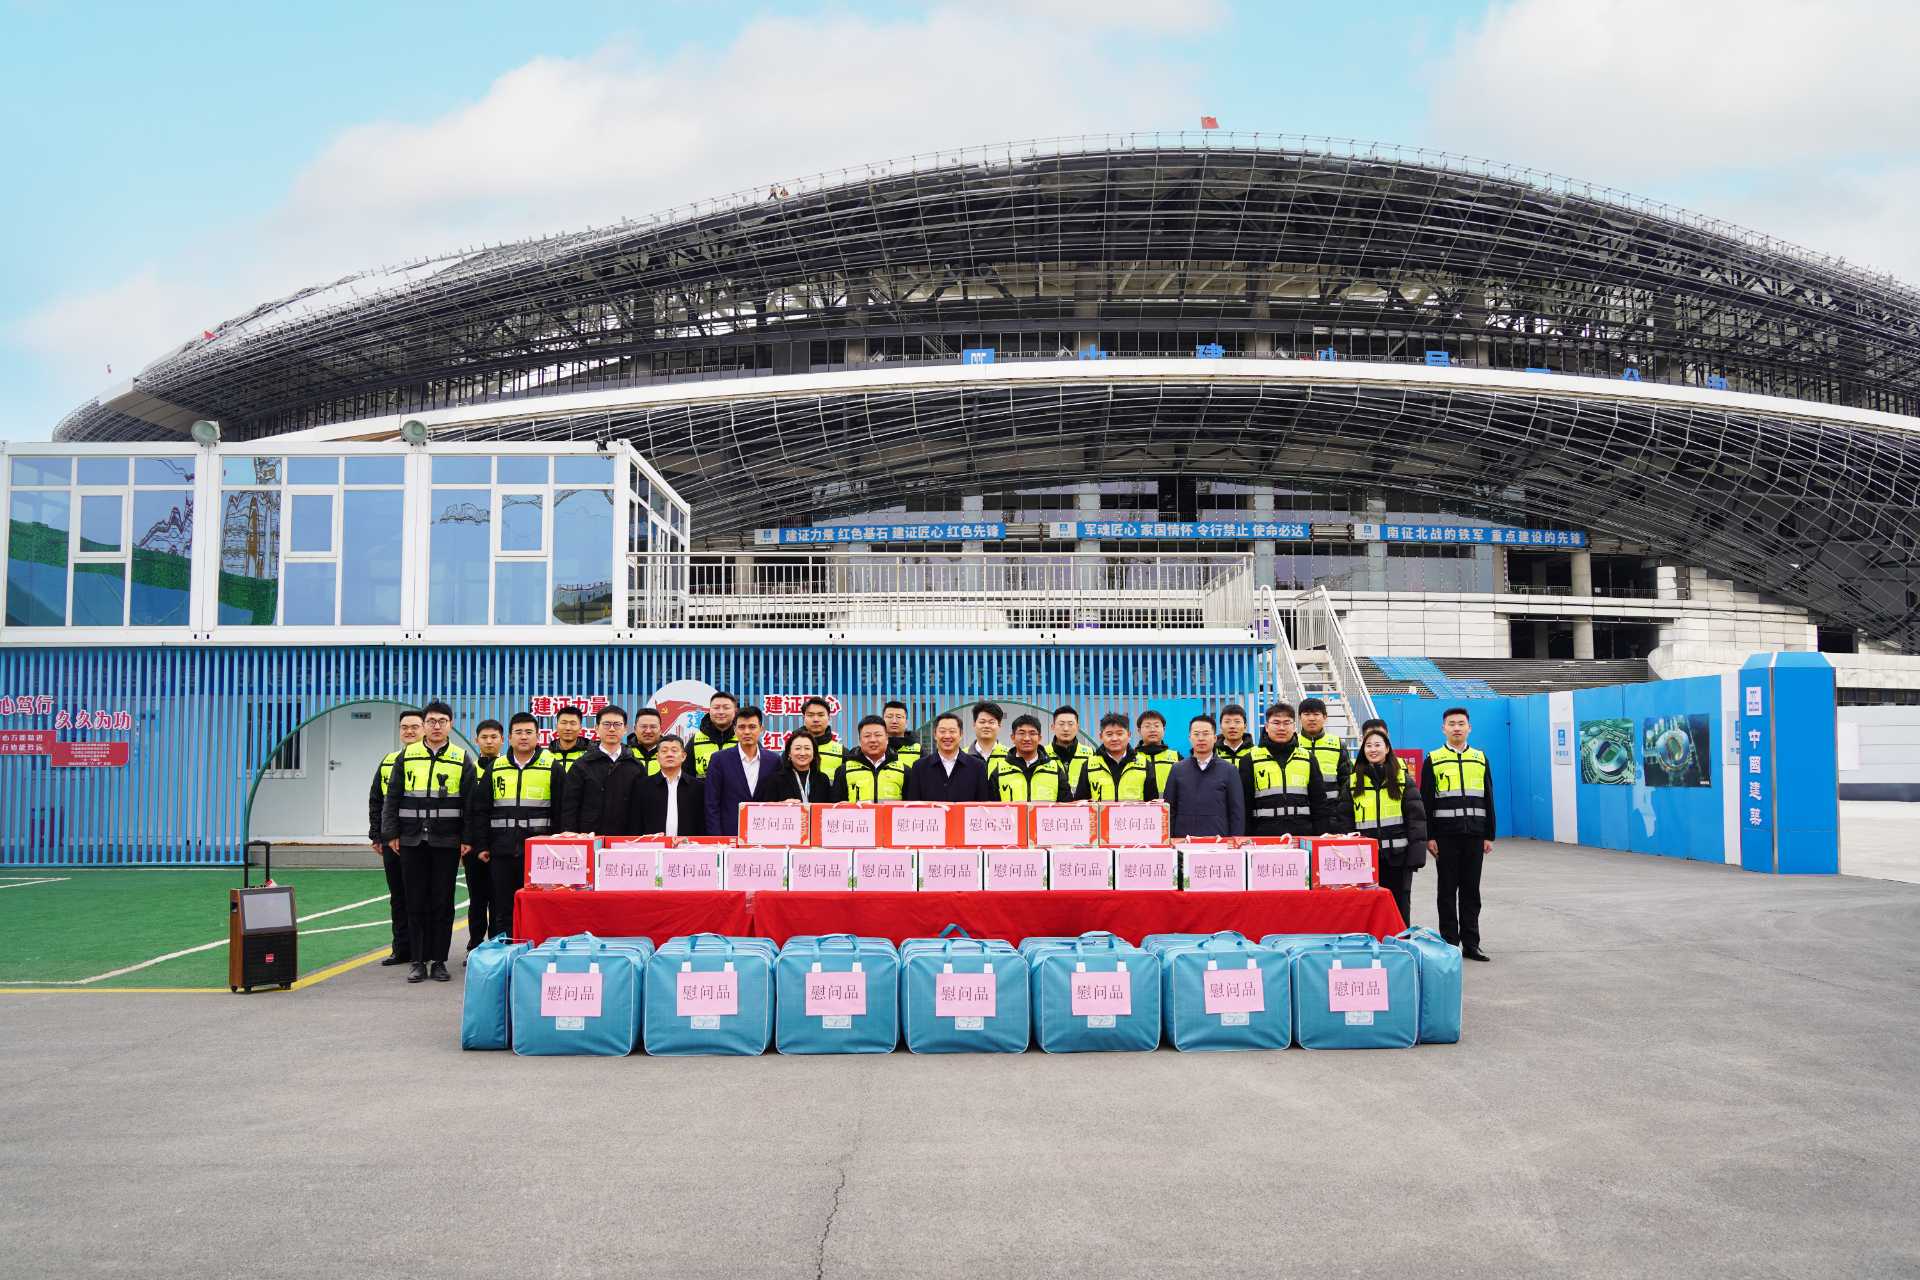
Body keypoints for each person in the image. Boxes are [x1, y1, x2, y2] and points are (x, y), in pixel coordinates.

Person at [379, 700, 480, 984]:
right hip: (411, 840)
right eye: (431, 721)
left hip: (446, 841)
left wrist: (467, 838)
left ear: (450, 725)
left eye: (442, 721)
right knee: (415, 901)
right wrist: (391, 834)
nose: (436, 726)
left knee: (442, 902)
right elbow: (392, 798)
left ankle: (439, 961)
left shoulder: (461, 758)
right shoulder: (407, 756)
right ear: (424, 725)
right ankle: (417, 961)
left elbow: (470, 804)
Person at [466, 712, 559, 942]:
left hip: (539, 854)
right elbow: (481, 810)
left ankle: (535, 949)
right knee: (502, 907)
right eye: (518, 732)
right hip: (502, 851)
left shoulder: (551, 766)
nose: (523, 737)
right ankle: (504, 950)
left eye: (528, 732)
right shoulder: (496, 767)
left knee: (538, 906)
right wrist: (482, 845)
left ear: (538, 736)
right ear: (509, 737)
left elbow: (561, 810)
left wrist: (557, 848)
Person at [1422, 706, 1495, 962]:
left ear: (1469, 728)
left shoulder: (1480, 758)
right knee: (1446, 891)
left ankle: (1472, 944)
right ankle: (1450, 943)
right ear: (1443, 728)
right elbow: (1426, 800)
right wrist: (1429, 836)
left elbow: (1488, 797)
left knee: (1471, 891)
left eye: (1461, 723)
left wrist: (1489, 834)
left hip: (1474, 835)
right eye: (1451, 724)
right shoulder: (1433, 759)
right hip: (1445, 836)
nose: (1456, 728)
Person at [1348, 726, 1427, 928]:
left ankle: (1401, 941)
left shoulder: (1403, 780)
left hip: (1398, 858)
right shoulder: (1352, 782)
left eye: (1378, 745)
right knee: (1366, 908)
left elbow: (1416, 820)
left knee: (1399, 906)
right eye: (1368, 745)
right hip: (1364, 860)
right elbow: (1344, 821)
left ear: (1387, 748)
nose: (1373, 749)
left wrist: (1416, 857)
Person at [367, 708, 423, 967]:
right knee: (398, 896)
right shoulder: (389, 761)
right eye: (404, 727)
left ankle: (423, 950)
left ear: (424, 729)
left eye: (414, 727)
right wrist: (378, 835)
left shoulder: (432, 761)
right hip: (392, 840)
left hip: (419, 840)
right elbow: (377, 801)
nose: (409, 731)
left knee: (421, 896)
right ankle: (401, 949)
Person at [1240, 701, 1335, 838]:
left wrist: (1321, 835)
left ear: (1294, 727)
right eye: (1276, 723)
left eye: (1287, 723)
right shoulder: (1250, 760)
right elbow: (1245, 805)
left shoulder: (1308, 758)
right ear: (1266, 727)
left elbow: (1319, 803)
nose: (1281, 728)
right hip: (1263, 837)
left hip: (1303, 837)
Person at [558, 705, 646, 836]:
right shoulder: (581, 765)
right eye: (606, 724)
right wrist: (572, 836)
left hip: (626, 839)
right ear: (596, 728)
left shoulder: (636, 766)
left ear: (625, 729)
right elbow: (570, 807)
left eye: (617, 724)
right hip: (590, 837)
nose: (612, 729)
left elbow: (642, 808)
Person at [1162, 714, 1245, 837]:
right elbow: (1170, 810)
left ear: (1215, 738)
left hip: (1218, 841)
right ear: (1190, 738)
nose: (1201, 738)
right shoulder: (1177, 769)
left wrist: (1235, 840)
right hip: (1183, 841)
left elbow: (1236, 812)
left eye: (1206, 734)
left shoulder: (1229, 770)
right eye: (1196, 734)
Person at [462, 718, 504, 952]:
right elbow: (466, 809)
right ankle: (475, 945)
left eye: (494, 737)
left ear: (502, 740)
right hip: (473, 846)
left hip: (499, 844)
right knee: (477, 899)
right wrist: (467, 841)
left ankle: (497, 946)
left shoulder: (507, 768)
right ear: (476, 740)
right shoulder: (469, 770)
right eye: (484, 737)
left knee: (498, 899)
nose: (489, 742)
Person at [703, 705, 771, 837]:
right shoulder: (719, 760)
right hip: (729, 835)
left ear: (761, 729)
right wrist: (717, 839)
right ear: (735, 730)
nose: (747, 732)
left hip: (764, 835)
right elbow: (711, 804)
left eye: (752, 727)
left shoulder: (773, 761)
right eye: (741, 727)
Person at [903, 711, 992, 802]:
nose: (947, 736)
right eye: (942, 731)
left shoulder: (977, 767)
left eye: (952, 731)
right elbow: (913, 805)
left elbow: (982, 805)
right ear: (935, 735)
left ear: (961, 735)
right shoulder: (919, 767)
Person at [636, 735, 708, 835]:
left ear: (683, 756)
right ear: (657, 757)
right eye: (664, 751)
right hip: (653, 844)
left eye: (674, 751)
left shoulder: (698, 787)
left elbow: (702, 823)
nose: (669, 754)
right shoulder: (643, 786)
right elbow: (636, 823)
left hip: (688, 844)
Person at [987, 714, 1068, 801]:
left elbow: (1066, 805)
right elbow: (991, 807)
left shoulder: (1055, 770)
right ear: (1013, 738)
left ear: (1039, 738)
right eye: (1021, 733)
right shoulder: (999, 772)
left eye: (1032, 733)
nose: (1027, 738)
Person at [759, 730, 846, 804]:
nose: (802, 753)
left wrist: (841, 805)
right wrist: (781, 805)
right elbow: (766, 809)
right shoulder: (775, 779)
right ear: (789, 753)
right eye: (797, 748)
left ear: (814, 753)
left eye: (807, 748)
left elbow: (829, 808)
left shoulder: (822, 779)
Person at [1296, 697, 1352, 813]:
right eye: (1306, 714)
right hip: (1300, 812)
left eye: (1316, 714)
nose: (1311, 718)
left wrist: (1340, 807)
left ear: (1325, 717)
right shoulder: (1293, 744)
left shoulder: (1338, 744)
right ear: (1299, 718)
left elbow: (1346, 780)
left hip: (1331, 811)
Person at [1087, 712, 1158, 802]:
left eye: (1119, 734)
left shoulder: (1144, 765)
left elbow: (1153, 803)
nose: (1114, 738)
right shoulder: (1089, 765)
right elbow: (1080, 803)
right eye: (1109, 734)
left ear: (1129, 735)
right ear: (1101, 736)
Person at [842, 715, 908, 801]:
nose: (873, 740)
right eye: (867, 736)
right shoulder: (844, 771)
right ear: (860, 740)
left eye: (878, 735)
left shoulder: (904, 771)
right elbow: (836, 807)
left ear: (887, 739)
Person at [1047, 706, 1095, 801]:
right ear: (1053, 727)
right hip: (1051, 808)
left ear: (1077, 727)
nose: (1066, 729)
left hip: (1083, 808)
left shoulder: (1090, 754)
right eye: (1061, 724)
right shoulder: (1043, 754)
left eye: (1070, 724)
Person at [688, 692, 739, 776]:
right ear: (709, 710)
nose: (721, 712)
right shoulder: (696, 740)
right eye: (716, 708)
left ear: (735, 710)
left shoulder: (744, 739)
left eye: (726, 708)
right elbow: (685, 776)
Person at [1133, 710, 1182, 793]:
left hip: (1169, 802)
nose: (1152, 730)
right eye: (1147, 726)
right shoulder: (1131, 758)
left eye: (1156, 726)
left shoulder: (1177, 758)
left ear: (1164, 729)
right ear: (1139, 731)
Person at [800, 697, 845, 774]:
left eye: (820, 715)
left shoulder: (842, 752)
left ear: (829, 718)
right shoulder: (792, 750)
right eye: (810, 715)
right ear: (804, 718)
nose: (816, 719)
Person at [547, 705, 591, 772]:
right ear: (556, 727)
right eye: (563, 723)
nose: (568, 728)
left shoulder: (591, 755)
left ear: (580, 728)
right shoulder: (547, 755)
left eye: (573, 723)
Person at [624, 706, 665, 775]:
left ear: (661, 730)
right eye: (643, 726)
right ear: (635, 729)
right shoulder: (624, 754)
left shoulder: (671, 755)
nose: (648, 731)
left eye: (653, 727)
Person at [883, 701, 923, 768]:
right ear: (882, 721)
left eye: (899, 717)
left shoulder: (918, 750)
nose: (894, 721)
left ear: (906, 722)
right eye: (889, 717)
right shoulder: (875, 746)